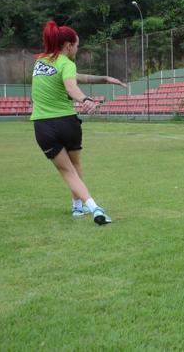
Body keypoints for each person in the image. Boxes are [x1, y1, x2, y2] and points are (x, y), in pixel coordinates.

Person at [30, 20, 127, 225]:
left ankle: (85, 207)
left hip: (43, 126)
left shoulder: (40, 62)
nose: (77, 49)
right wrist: (85, 99)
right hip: (66, 123)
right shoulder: (67, 63)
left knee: (67, 171)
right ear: (68, 45)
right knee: (75, 165)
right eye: (77, 46)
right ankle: (85, 207)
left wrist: (105, 78)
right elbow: (71, 86)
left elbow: (74, 78)